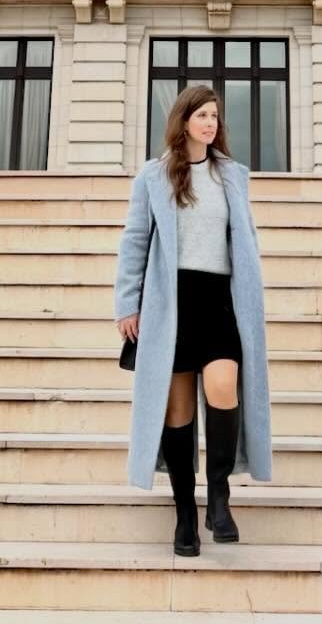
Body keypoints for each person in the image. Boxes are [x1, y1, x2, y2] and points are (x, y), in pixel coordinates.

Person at [114, 84, 272, 555]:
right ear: (184, 120)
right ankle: (185, 512)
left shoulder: (232, 176)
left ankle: (218, 496)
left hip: (220, 300)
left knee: (224, 386)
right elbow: (135, 240)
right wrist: (128, 302)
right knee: (177, 410)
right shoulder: (154, 176)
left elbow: (243, 241)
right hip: (171, 301)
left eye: (215, 116)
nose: (210, 123)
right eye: (202, 115)